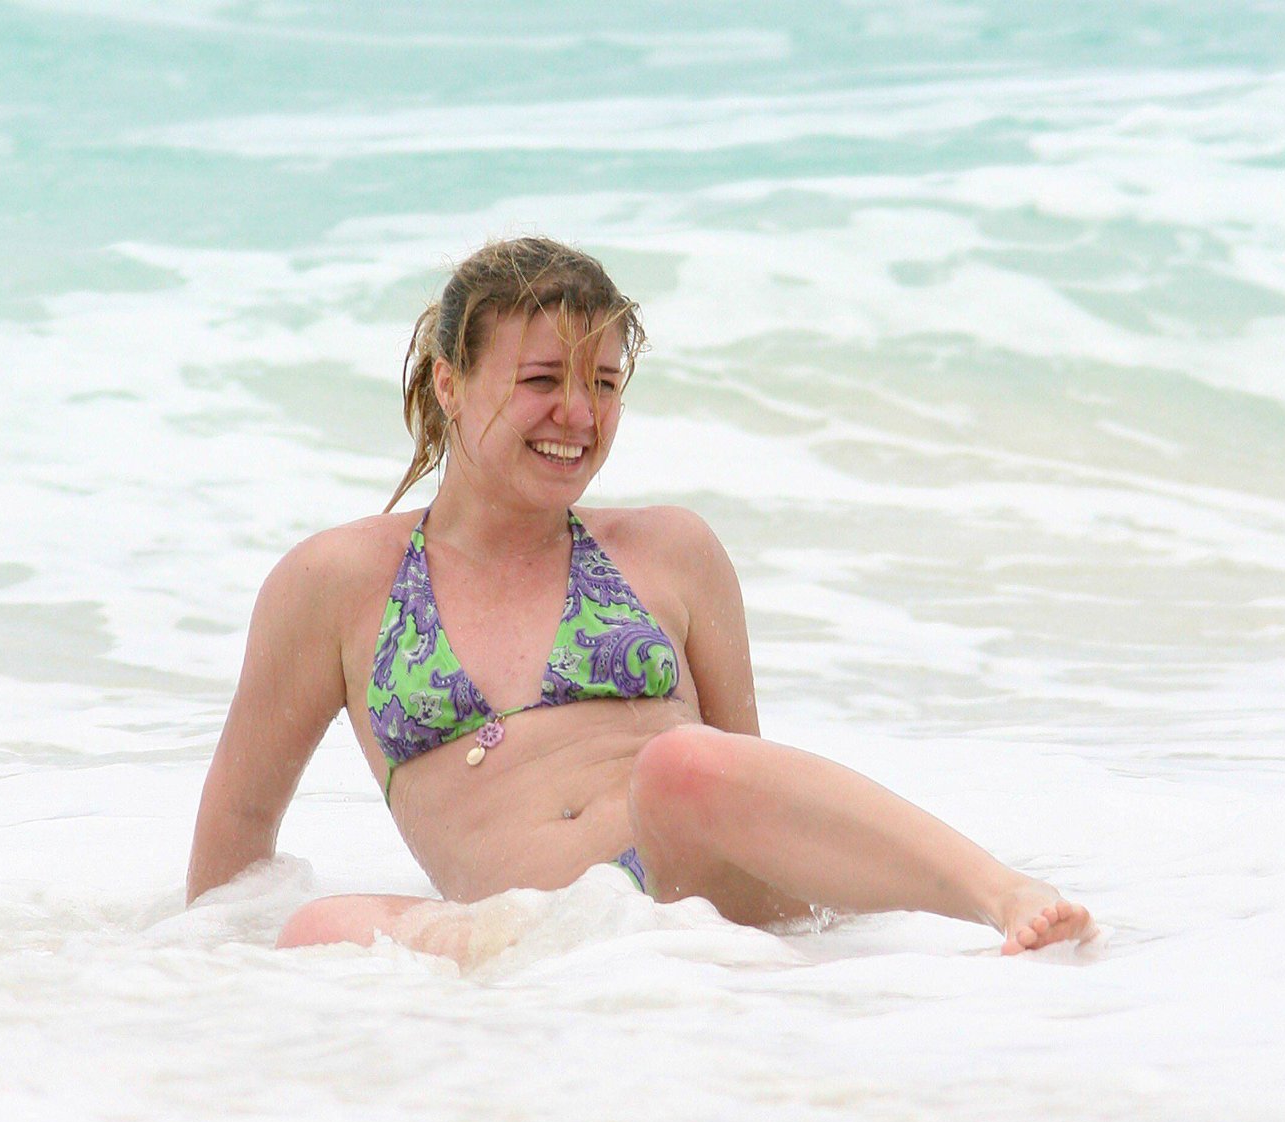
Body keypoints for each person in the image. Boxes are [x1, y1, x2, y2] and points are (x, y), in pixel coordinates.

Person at [186, 236, 1094, 962]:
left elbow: (753, 779)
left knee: (681, 765)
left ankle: (1000, 893)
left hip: (695, 901)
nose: (578, 416)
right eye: (542, 380)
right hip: (524, 937)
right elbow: (236, 836)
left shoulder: (671, 551)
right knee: (316, 928)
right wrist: (181, 994)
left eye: (604, 384)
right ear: (449, 383)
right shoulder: (337, 583)